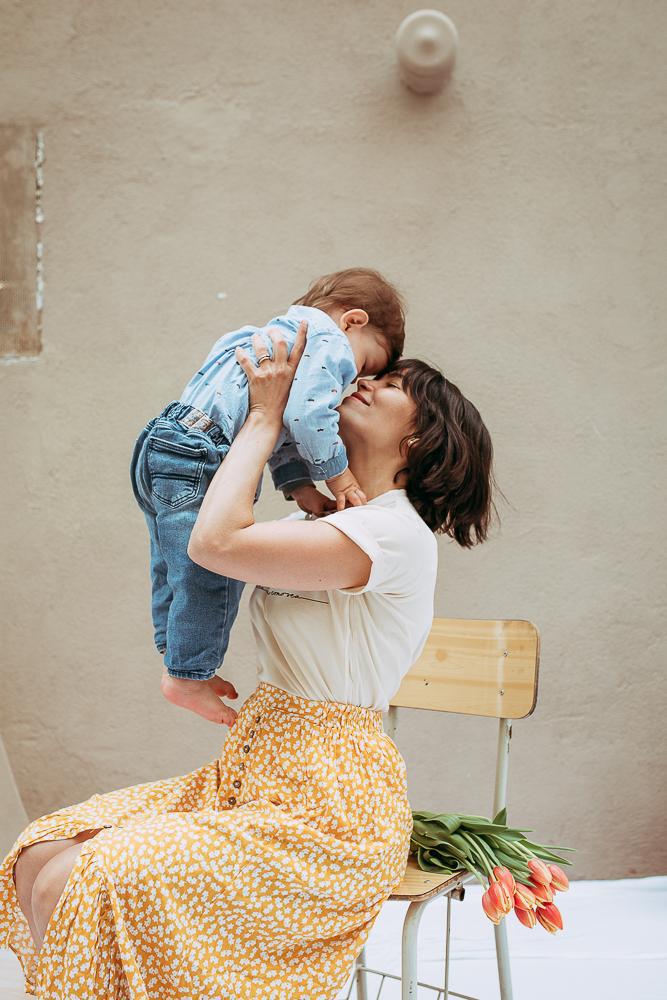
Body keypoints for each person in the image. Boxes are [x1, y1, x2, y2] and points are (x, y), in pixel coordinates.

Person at [0, 322, 497, 999]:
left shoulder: (392, 534)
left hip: (330, 813)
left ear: (417, 438)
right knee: (42, 854)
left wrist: (266, 415)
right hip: (253, 775)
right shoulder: (315, 526)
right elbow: (198, 535)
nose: (364, 381)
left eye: (389, 385)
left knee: (86, 876)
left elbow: (214, 541)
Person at [130, 268, 406, 723]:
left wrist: (298, 486)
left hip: (163, 441)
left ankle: (177, 656)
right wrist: (337, 479)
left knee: (169, 560)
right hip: (202, 455)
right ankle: (188, 673)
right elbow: (306, 416)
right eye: (364, 367)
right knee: (209, 573)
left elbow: (275, 423)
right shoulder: (329, 343)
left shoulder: (261, 336)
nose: (354, 383)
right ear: (352, 321)